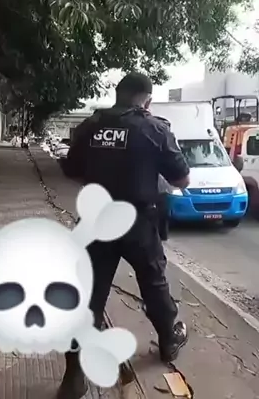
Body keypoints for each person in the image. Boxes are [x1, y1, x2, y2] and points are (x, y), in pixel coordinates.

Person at [58, 72, 190, 399]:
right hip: (138, 222)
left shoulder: (91, 126)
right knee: (154, 283)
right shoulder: (155, 129)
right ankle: (168, 341)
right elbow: (182, 179)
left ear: (118, 95)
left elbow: (71, 170)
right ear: (147, 100)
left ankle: (74, 375)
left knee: (87, 296)